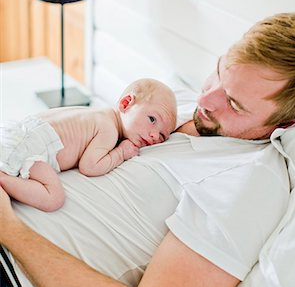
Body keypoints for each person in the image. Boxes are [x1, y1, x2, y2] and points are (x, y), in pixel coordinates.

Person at [0, 12, 295, 287]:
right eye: (217, 73)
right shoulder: (179, 104)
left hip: (12, 280)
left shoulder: (251, 184)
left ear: (284, 124)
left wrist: (9, 227)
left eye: (232, 103)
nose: (206, 99)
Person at [0, 78, 177, 211]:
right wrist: (121, 153)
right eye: (152, 119)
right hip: (31, 150)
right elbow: (90, 166)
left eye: (162, 135)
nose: (154, 135)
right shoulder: (108, 129)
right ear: (125, 104)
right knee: (54, 198)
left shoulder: (94, 113)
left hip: (14, 132)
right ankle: (4, 179)